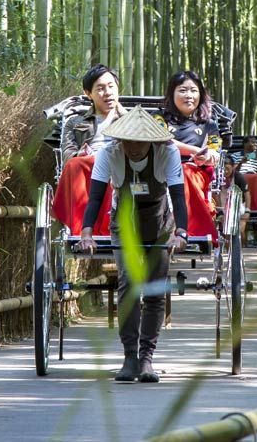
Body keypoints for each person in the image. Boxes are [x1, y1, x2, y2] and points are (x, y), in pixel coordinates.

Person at [77, 106, 189, 383]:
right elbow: (95, 197)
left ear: (152, 141)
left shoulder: (168, 153)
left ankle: (147, 358)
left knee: (153, 289)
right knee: (128, 283)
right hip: (124, 220)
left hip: (159, 222)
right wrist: (87, 232)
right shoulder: (109, 153)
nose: (134, 148)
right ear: (120, 140)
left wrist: (181, 233)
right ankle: (129, 357)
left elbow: (177, 194)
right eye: (129, 141)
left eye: (140, 142)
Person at [51, 64, 124, 236]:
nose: (107, 92)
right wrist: (80, 154)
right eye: (100, 88)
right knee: (74, 165)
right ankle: (81, 229)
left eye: (111, 86)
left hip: (122, 163)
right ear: (88, 93)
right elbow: (68, 154)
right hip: (88, 164)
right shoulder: (75, 122)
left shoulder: (131, 119)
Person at [161, 70, 223, 242]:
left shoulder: (209, 125)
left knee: (183, 172)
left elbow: (214, 150)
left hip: (193, 171)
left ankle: (183, 229)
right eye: (182, 90)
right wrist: (195, 150)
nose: (189, 95)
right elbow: (162, 141)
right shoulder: (159, 118)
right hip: (159, 169)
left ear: (201, 95)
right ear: (172, 93)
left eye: (193, 90)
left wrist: (207, 156)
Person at [231, 137, 257, 245]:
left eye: (256, 143)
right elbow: (232, 173)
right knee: (246, 178)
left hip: (255, 178)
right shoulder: (236, 156)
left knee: (256, 177)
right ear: (245, 144)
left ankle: (256, 206)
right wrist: (241, 162)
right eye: (252, 142)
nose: (255, 144)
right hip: (240, 178)